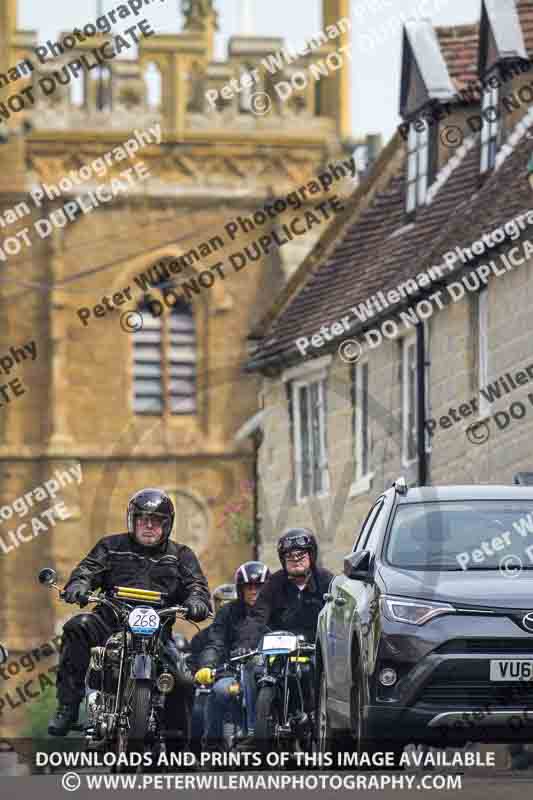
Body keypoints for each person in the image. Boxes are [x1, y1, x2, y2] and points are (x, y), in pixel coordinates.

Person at [48, 488, 211, 737]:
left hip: (156, 633)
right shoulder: (110, 546)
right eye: (142, 520)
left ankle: (178, 747)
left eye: (155, 521)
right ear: (132, 521)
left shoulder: (181, 555)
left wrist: (197, 602)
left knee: (184, 680)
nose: (148, 526)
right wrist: (79, 585)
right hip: (110, 624)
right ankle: (68, 707)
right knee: (77, 626)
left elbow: (196, 586)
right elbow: (87, 570)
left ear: (166, 525)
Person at [239, 529, 333, 721]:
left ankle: (319, 718)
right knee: (252, 670)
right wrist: (245, 643)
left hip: (316, 648)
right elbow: (257, 616)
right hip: (281, 648)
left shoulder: (327, 581)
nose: (295, 559)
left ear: (311, 555)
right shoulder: (274, 583)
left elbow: (338, 616)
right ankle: (253, 728)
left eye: (301, 554)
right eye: (289, 556)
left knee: (320, 676)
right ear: (282, 559)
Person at [194, 562, 271, 746]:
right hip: (234, 671)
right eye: (248, 587)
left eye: (259, 587)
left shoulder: (277, 610)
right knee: (220, 691)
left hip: (272, 671)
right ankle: (212, 747)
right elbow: (216, 642)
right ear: (240, 589)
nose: (254, 591)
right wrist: (208, 665)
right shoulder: (228, 612)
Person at [189, 583, 237, 748]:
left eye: (230, 603)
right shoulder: (201, 638)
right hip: (206, 687)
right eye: (220, 603)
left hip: (236, 682)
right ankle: (199, 752)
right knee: (196, 710)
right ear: (215, 605)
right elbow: (191, 665)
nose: (224, 607)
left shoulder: (246, 630)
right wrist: (198, 673)